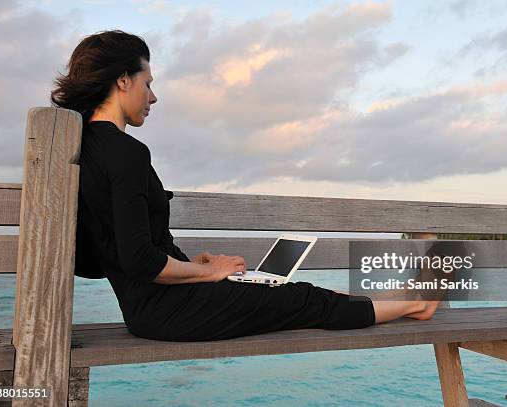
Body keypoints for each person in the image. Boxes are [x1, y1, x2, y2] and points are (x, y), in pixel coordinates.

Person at [50, 30, 441, 342]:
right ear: (122, 80)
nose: (153, 96)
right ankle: (414, 305)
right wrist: (208, 272)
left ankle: (401, 303)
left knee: (287, 295)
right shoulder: (127, 153)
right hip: (172, 313)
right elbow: (140, 262)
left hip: (151, 309)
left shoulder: (86, 148)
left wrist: (189, 266)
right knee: (301, 299)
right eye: (146, 83)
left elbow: (104, 256)